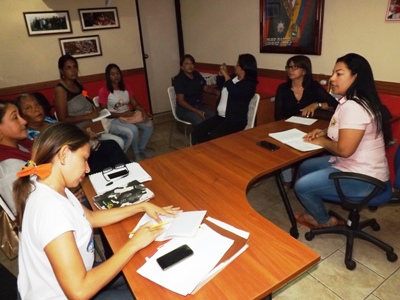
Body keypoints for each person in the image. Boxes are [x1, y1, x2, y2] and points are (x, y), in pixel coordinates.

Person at [14, 122, 181, 299]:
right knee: (151, 292)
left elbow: (90, 217)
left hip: (76, 276)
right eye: (84, 159)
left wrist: (141, 206)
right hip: (69, 291)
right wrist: (134, 244)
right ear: (63, 154)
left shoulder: (47, 183)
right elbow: (79, 291)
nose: (88, 168)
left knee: (143, 271)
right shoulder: (50, 210)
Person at [293, 53, 392, 228]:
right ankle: (313, 211)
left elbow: (345, 150)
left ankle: (325, 221)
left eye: (339, 74)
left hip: (365, 179)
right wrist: (323, 131)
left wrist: (322, 141)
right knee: (305, 167)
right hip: (358, 167)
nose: (332, 79)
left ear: (356, 77)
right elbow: (350, 129)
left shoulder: (354, 107)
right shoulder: (354, 101)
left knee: (301, 186)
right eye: (333, 73)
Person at [16, 93, 130, 175]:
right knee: (108, 161)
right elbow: (56, 153)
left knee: (111, 145)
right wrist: (82, 141)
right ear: (21, 115)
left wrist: (84, 136)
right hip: (69, 162)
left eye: (37, 105)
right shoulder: (30, 136)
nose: (36, 109)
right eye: (28, 108)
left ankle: (131, 174)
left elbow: (68, 134)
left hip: (79, 150)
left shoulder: (49, 120)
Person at [274, 55, 338, 187]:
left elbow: (334, 104)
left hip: (309, 129)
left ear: (304, 71)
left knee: (312, 143)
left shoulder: (313, 87)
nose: (291, 70)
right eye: (289, 67)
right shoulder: (283, 88)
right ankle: (287, 180)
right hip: (287, 127)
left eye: (295, 67)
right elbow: (278, 115)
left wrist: (317, 104)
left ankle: (307, 178)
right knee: (283, 147)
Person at [53, 54, 126, 151]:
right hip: (80, 129)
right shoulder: (60, 90)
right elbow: (62, 119)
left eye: (75, 67)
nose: (73, 70)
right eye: (68, 68)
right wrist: (87, 116)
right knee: (118, 141)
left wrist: (96, 109)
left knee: (127, 133)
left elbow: (87, 98)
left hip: (94, 121)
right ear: (62, 71)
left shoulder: (78, 83)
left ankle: (119, 158)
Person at [191, 54, 258, 144]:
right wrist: (221, 75)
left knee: (211, 139)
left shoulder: (249, 84)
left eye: (237, 64)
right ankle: (196, 154)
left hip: (234, 121)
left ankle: (207, 156)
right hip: (220, 117)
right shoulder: (234, 77)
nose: (235, 66)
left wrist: (226, 74)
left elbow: (234, 90)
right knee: (197, 131)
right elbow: (221, 85)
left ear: (244, 68)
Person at [98, 63, 154, 161]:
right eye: (112, 74)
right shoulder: (104, 91)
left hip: (128, 116)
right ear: (108, 76)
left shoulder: (125, 87)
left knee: (149, 124)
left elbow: (135, 104)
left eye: (117, 73)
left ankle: (141, 149)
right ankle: (136, 154)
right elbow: (104, 113)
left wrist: (143, 111)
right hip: (114, 119)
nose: (116, 76)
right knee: (134, 129)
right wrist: (122, 114)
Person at [173, 54, 216, 126]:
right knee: (200, 121)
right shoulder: (179, 79)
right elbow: (181, 101)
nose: (190, 66)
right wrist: (197, 111)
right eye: (187, 63)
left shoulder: (196, 74)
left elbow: (205, 87)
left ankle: (211, 136)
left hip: (198, 106)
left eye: (191, 63)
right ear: (182, 67)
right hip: (184, 109)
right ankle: (200, 136)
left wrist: (216, 91)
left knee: (213, 117)